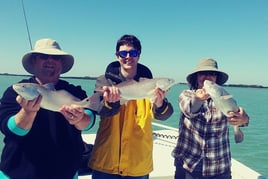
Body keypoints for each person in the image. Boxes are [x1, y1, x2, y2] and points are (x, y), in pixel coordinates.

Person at [0, 38, 96, 179]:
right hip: (18, 173)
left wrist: (80, 118)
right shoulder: (16, 91)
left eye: (56, 57)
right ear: (34, 61)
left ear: (61, 63)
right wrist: (27, 112)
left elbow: (89, 121)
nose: (50, 61)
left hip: (66, 174)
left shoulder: (75, 92)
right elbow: (9, 129)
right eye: (44, 56)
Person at [88, 34, 174, 179]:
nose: (128, 56)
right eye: (123, 53)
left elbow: (164, 115)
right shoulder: (104, 81)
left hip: (137, 164)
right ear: (117, 56)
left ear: (138, 56)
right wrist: (112, 101)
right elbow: (101, 110)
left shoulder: (150, 84)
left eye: (133, 53)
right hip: (106, 162)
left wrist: (159, 103)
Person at [172, 58, 249, 179]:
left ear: (216, 78)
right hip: (188, 167)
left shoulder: (225, 97)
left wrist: (243, 119)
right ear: (196, 77)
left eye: (212, 74)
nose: (207, 77)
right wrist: (198, 99)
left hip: (219, 169)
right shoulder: (186, 95)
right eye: (203, 73)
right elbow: (190, 110)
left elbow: (241, 116)